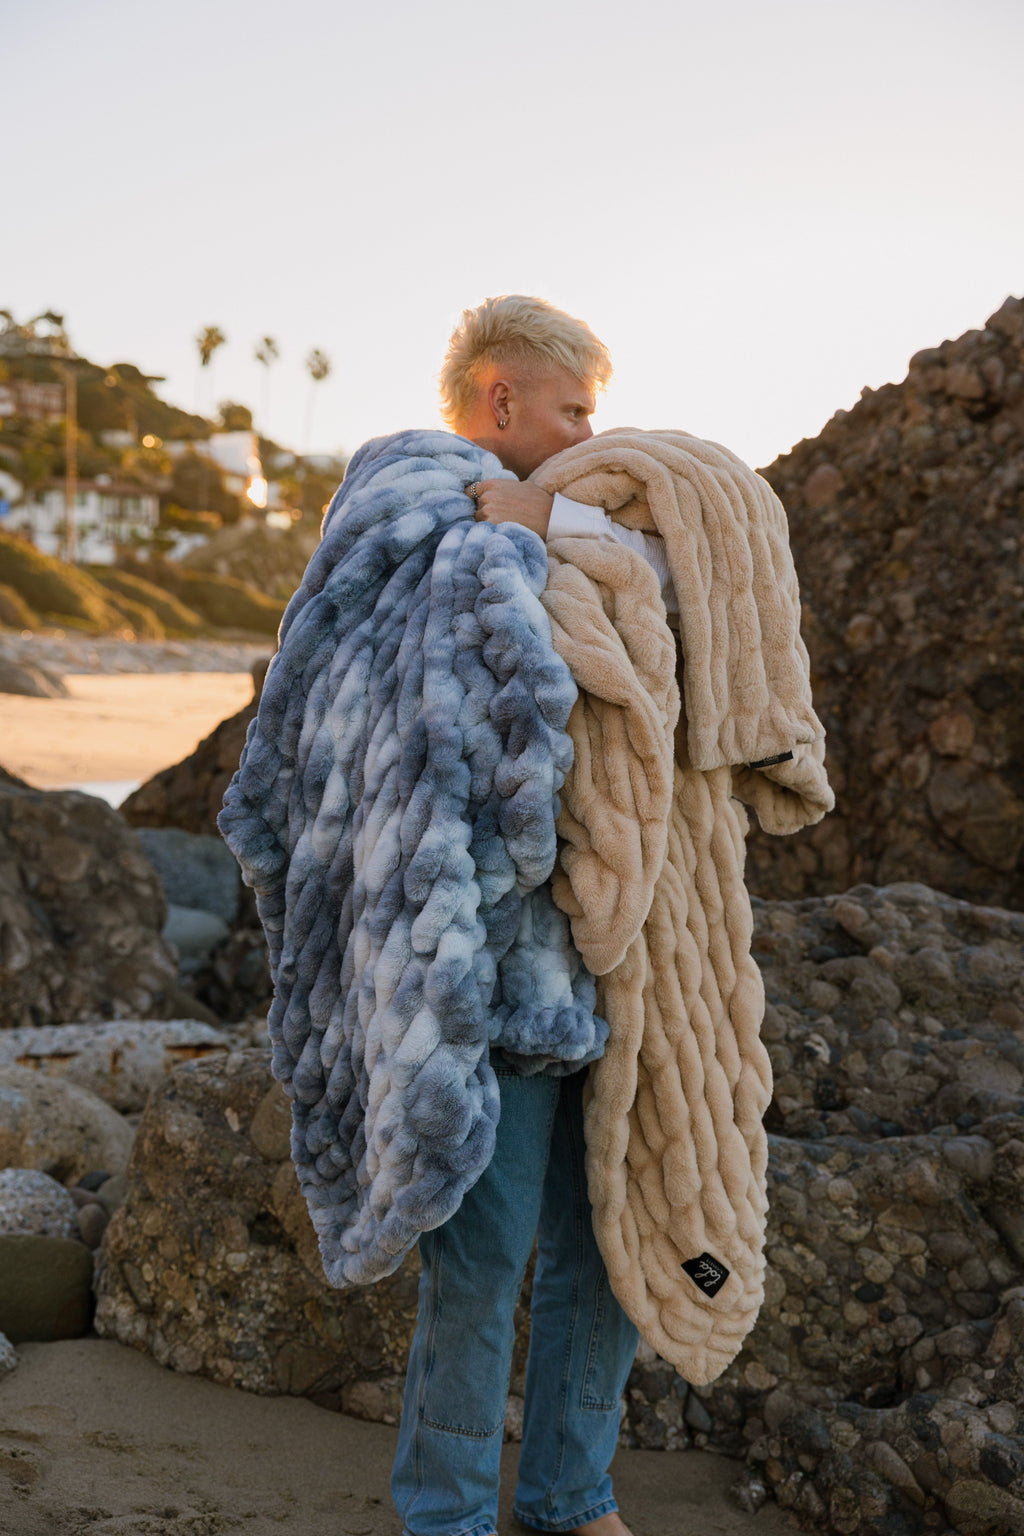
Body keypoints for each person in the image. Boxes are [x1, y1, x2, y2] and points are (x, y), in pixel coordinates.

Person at [389, 296, 677, 1536]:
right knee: (484, 1258)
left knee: (612, 1248)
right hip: (488, 968)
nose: (583, 435)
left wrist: (554, 515)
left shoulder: (560, 518)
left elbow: (680, 592)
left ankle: (571, 1494)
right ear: (499, 399)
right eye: (568, 411)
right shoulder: (415, 497)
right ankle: (445, 1512)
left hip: (612, 953)